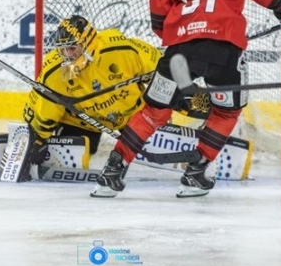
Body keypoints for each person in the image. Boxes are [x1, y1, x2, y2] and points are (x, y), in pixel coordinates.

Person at [91, 0, 281, 198]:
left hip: (180, 53)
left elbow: (159, 20)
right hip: (224, 52)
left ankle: (111, 173)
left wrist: (184, 35)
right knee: (227, 111)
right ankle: (195, 172)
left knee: (154, 112)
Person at [22, 15, 210, 173]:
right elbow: (43, 112)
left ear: (88, 42)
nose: (67, 55)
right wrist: (36, 140)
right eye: (63, 50)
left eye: (72, 48)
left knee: (185, 101)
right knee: (73, 154)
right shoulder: (54, 72)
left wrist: (181, 94)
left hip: (134, 115)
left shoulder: (121, 49)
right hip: (85, 122)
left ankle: (219, 128)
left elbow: (163, 69)